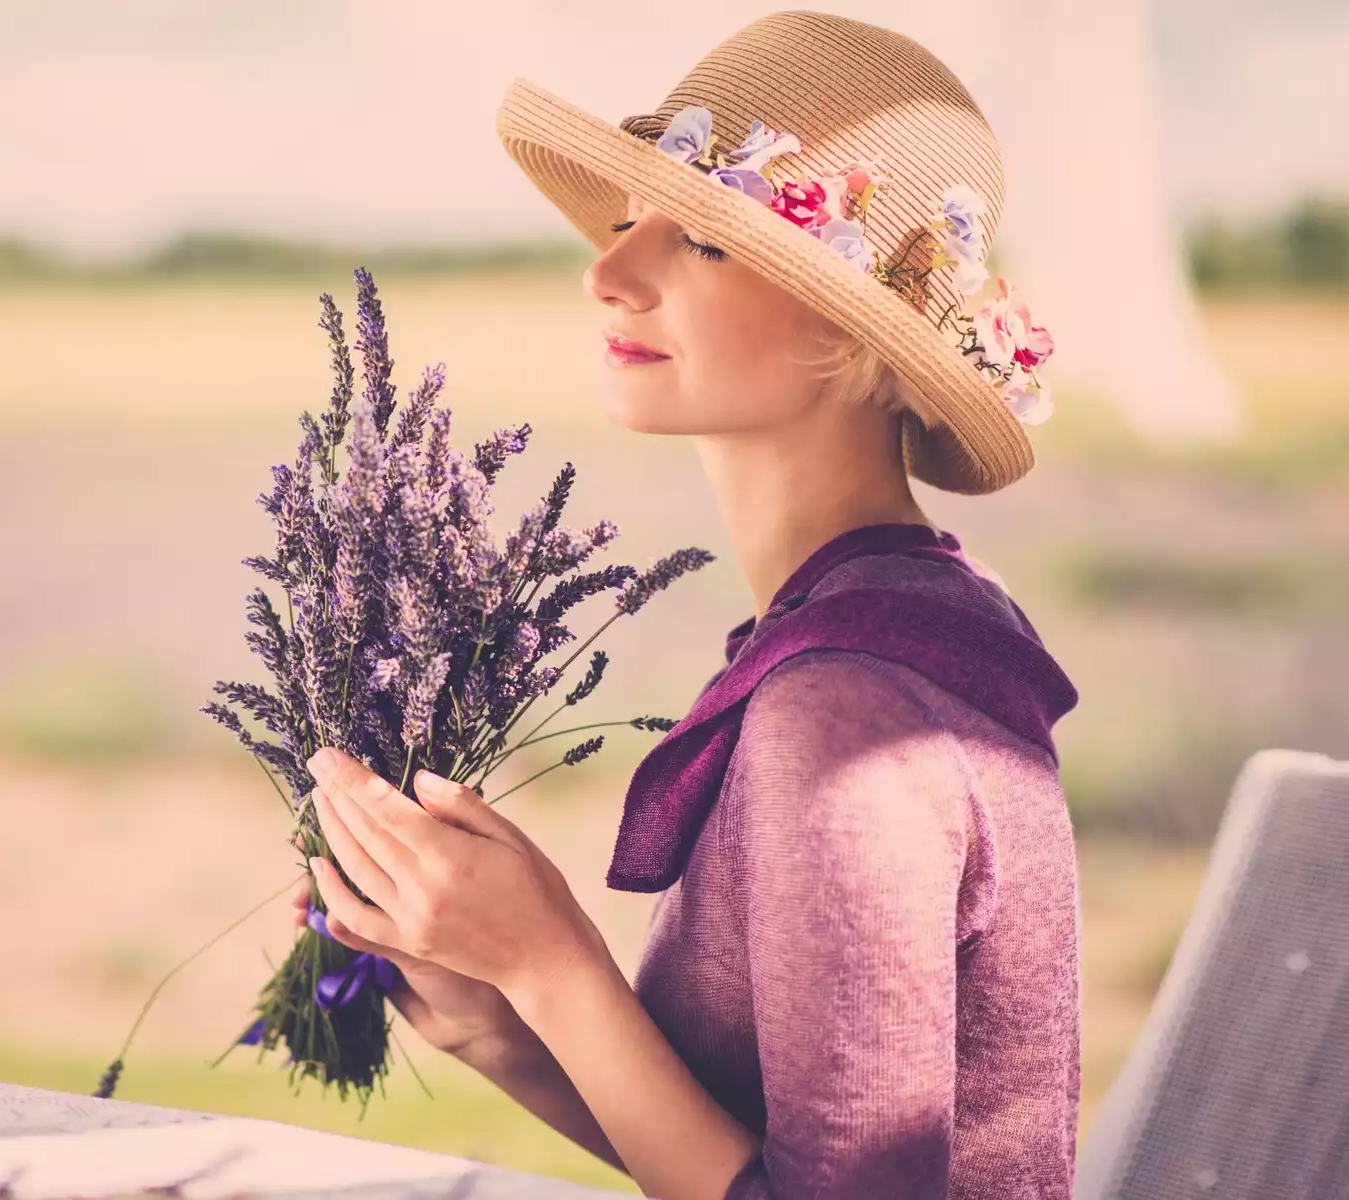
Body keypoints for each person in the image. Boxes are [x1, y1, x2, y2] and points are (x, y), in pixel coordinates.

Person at [293, 11, 1081, 1198]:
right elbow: (744, 1161)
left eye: (705, 244)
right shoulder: (880, 626)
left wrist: (555, 961)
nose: (607, 273)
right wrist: (498, 1015)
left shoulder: (851, 714)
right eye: (626, 226)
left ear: (854, 332)